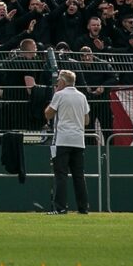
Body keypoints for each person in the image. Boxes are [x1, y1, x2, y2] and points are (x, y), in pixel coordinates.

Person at [45, 68, 91, 215]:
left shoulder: (59, 95)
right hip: (78, 140)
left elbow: (48, 114)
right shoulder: (82, 96)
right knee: (79, 175)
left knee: (61, 174)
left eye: (59, 80)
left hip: (63, 139)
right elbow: (87, 120)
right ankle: (83, 208)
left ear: (63, 81)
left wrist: (55, 96)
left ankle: (60, 207)